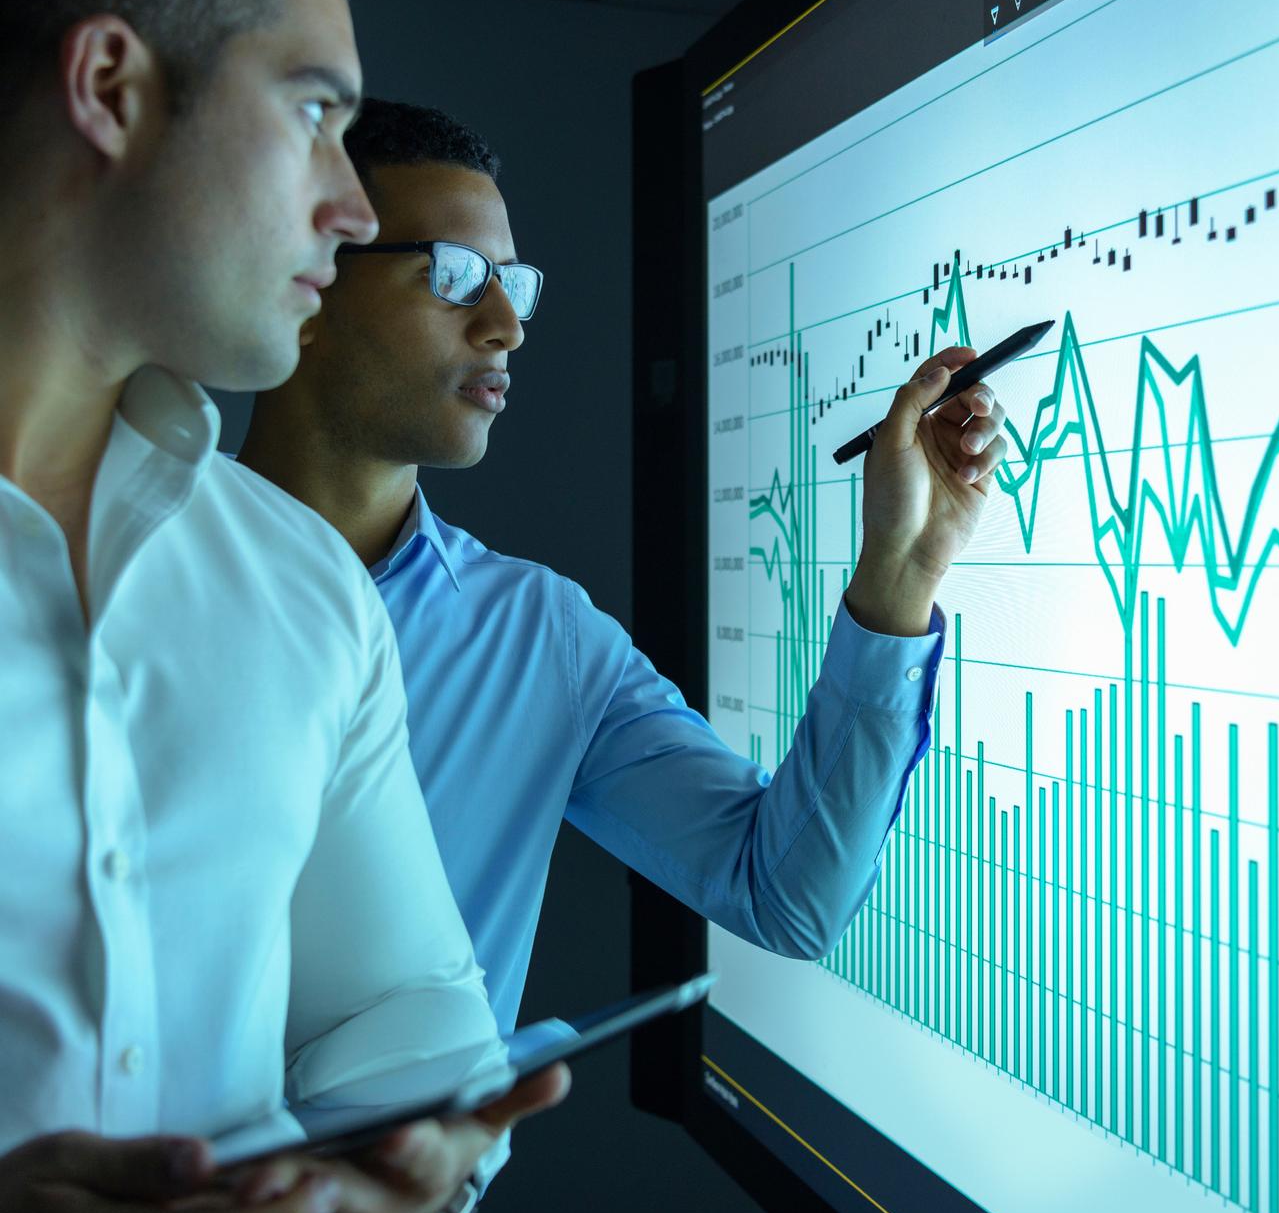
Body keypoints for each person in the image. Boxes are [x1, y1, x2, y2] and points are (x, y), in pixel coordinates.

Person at [0, 0, 563, 1213]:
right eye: (316, 112)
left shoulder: (302, 585)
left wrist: (421, 1154)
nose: (354, 207)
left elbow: (399, 999)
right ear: (111, 88)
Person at [239, 98, 1011, 1041]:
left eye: (513, 286)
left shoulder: (543, 640)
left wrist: (899, 572)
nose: (506, 326)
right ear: (306, 282)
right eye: (455, 276)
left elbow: (788, 898)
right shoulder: (113, 573)